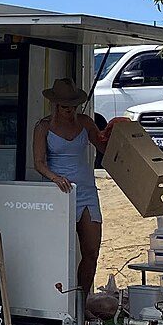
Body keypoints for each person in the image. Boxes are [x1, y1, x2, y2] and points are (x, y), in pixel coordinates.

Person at [32, 77, 112, 300]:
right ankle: (58, 301)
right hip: (60, 192)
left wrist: (116, 132)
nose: (69, 111)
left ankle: (81, 302)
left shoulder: (85, 122)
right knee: (58, 251)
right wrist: (54, 177)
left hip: (86, 191)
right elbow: (38, 162)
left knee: (91, 251)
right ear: (56, 106)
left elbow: (103, 146)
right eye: (65, 107)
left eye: (73, 106)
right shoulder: (43, 126)